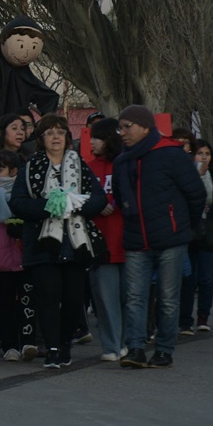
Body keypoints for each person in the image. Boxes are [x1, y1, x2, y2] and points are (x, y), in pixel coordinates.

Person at [10, 115, 107, 368]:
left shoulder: (80, 165)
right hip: (44, 243)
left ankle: (64, 342)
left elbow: (99, 198)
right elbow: (18, 204)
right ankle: (52, 348)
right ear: (41, 139)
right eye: (50, 133)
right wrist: (49, 206)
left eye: (60, 132)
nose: (56, 137)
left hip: (75, 244)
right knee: (48, 297)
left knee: (75, 299)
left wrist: (76, 204)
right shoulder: (30, 167)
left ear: (67, 137)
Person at [112, 105, 205, 369]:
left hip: (170, 240)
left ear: (146, 127)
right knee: (135, 298)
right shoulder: (123, 161)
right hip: (136, 240)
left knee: (167, 298)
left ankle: (164, 350)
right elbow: (120, 199)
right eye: (121, 127)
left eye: (127, 126)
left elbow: (195, 194)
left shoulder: (171, 154)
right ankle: (136, 349)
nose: (123, 132)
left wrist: (182, 226)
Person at [85, 118, 127, 361]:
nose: (92, 142)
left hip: (128, 242)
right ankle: (111, 346)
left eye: (97, 137)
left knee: (127, 298)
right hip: (100, 244)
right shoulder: (88, 167)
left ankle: (125, 343)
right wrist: (97, 206)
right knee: (105, 298)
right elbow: (79, 199)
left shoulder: (126, 164)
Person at [0, 149, 32, 361]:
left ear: (14, 171)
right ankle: (9, 344)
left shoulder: (23, 192)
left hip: (23, 255)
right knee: (3, 302)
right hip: (1, 257)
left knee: (27, 301)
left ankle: (28, 341)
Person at [188, 139, 213, 332]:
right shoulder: (187, 175)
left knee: (207, 278)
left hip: (209, 231)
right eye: (200, 153)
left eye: (207, 154)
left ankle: (203, 316)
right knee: (189, 277)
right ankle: (185, 317)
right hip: (191, 230)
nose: (204, 157)